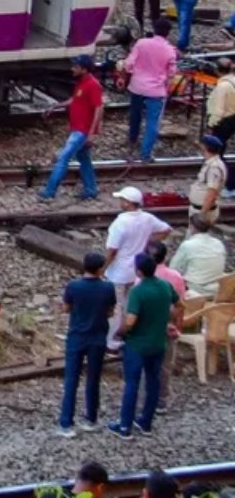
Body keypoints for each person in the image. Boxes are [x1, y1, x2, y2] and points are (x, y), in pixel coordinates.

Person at [109, 253, 177, 438]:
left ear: (138, 271)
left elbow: (131, 320)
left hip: (137, 345)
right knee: (153, 382)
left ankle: (125, 427)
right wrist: (171, 322)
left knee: (132, 383)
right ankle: (146, 422)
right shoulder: (165, 286)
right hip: (158, 343)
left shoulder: (138, 291)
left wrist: (120, 332)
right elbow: (179, 303)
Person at [103, 187, 171, 349]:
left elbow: (112, 250)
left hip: (119, 270)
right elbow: (166, 229)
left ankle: (111, 341)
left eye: (122, 199)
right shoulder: (147, 218)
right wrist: (148, 242)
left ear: (127, 203)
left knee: (116, 306)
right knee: (128, 304)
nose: (120, 202)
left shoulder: (120, 223)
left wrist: (103, 267)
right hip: (136, 269)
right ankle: (126, 333)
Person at [58, 252, 115, 437]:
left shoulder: (73, 286)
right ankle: (91, 418)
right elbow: (110, 312)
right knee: (93, 379)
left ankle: (66, 423)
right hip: (97, 338)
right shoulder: (108, 288)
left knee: (71, 380)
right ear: (100, 269)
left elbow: (66, 308)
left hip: (76, 336)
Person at [42, 56, 105, 201]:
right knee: (84, 159)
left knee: (63, 158)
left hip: (81, 131)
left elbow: (99, 109)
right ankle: (91, 190)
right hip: (78, 128)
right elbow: (75, 100)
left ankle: (49, 192)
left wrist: (91, 133)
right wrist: (56, 106)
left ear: (84, 69)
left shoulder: (93, 85)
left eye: (75, 67)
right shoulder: (82, 83)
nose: (72, 69)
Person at [124, 19, 179, 162]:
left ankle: (132, 140)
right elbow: (172, 73)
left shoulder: (141, 43)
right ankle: (145, 154)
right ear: (168, 33)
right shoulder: (170, 50)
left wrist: (133, 72)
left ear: (154, 29)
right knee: (152, 122)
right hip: (156, 90)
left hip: (137, 86)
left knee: (135, 115)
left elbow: (128, 64)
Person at [171, 212, 228, 298]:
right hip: (217, 288)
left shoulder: (188, 245)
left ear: (192, 227)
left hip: (195, 290)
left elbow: (174, 269)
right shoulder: (218, 243)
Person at [189, 134, 225, 227]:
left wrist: (202, 215)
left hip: (203, 212)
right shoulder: (211, 163)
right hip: (200, 209)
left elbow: (211, 194)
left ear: (205, 147)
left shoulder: (214, 168)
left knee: (196, 239)